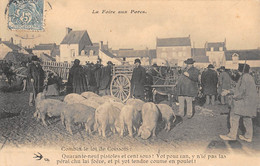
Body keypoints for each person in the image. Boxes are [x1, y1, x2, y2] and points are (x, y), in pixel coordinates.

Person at [220, 64, 258, 142]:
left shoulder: (243, 78)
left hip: (242, 102)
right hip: (250, 102)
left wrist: (232, 95)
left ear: (241, 71)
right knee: (247, 119)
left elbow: (240, 92)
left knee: (234, 117)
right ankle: (248, 137)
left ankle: (232, 135)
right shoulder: (250, 77)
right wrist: (229, 91)